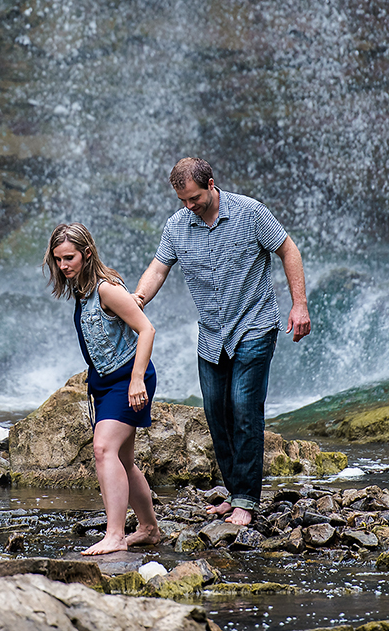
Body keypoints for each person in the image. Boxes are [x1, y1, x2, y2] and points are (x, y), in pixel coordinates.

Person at [133, 158, 310, 527]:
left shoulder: (250, 213)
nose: (189, 206)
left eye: (194, 198)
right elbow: (158, 268)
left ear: (211, 184)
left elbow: (288, 250)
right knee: (216, 412)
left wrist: (299, 305)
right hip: (212, 333)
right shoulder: (177, 227)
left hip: (254, 324)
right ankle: (233, 494)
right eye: (182, 200)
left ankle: (246, 500)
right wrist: (136, 301)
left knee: (244, 406)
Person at [45, 222, 163, 555]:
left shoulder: (106, 289)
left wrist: (137, 378)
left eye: (69, 258)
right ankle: (149, 528)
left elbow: (147, 329)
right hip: (103, 382)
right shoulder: (81, 291)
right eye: (58, 260)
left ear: (87, 253)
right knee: (123, 459)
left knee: (103, 449)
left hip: (128, 380)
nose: (64, 266)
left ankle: (114, 535)